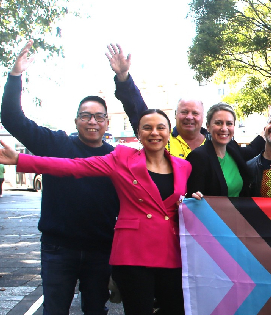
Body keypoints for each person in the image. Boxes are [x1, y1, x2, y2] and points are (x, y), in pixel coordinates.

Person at [0, 109, 202, 315]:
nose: (154, 133)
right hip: (133, 253)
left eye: (161, 127)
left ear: (169, 132)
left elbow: (181, 203)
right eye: (147, 128)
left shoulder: (183, 166)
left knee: (175, 309)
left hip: (171, 251)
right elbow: (73, 166)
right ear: (139, 133)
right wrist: (20, 160)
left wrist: (194, 201)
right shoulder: (121, 158)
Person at [2, 40, 119, 315]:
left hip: (101, 249)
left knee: (95, 310)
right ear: (76, 120)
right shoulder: (56, 144)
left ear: (107, 123)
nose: (92, 122)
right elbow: (12, 119)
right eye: (86, 116)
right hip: (58, 248)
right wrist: (15, 76)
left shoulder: (117, 158)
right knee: (54, 309)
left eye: (99, 117)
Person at [105, 44, 265, 158]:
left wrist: (267, 133)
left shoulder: (218, 141)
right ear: (175, 115)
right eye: (184, 112)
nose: (189, 117)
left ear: (203, 119)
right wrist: (123, 77)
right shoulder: (161, 138)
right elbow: (137, 110)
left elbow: (246, 154)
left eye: (195, 113)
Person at [186, 103, 263, 197]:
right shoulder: (198, 157)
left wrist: (268, 130)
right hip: (212, 211)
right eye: (218, 123)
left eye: (229, 123)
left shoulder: (232, 148)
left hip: (238, 211)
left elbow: (252, 150)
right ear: (208, 127)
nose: (224, 128)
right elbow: (193, 196)